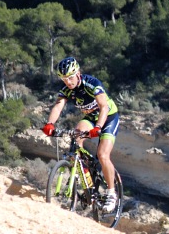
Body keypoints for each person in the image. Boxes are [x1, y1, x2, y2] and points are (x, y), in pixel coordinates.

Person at [42, 56, 120, 213]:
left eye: (70, 77)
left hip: (109, 117)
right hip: (91, 118)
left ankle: (112, 193)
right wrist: (50, 124)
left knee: (103, 155)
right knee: (76, 140)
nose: (68, 82)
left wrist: (98, 127)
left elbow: (103, 107)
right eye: (64, 79)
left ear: (78, 73)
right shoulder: (66, 90)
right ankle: (85, 175)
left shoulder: (92, 83)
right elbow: (58, 107)